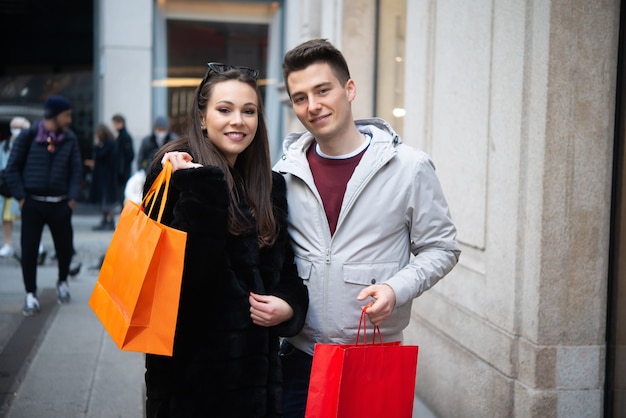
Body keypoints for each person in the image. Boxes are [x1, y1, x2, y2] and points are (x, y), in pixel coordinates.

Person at [273, 38, 462, 416]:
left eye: (323, 90)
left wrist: (397, 287)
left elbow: (443, 247)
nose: (313, 106)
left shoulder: (409, 167)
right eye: (300, 97)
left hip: (371, 360)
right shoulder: (283, 173)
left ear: (349, 89)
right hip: (298, 361)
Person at [143, 62, 308, 417]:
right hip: (192, 384)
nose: (238, 121)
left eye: (249, 111)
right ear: (202, 117)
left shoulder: (270, 185)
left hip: (258, 385)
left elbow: (288, 270)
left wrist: (288, 304)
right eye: (224, 109)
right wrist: (202, 184)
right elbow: (184, 281)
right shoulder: (175, 171)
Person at [5, 95, 83, 315]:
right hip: (32, 204)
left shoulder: (70, 139)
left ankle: (62, 282)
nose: (69, 119)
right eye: (66, 115)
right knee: (29, 251)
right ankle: (30, 294)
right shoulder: (28, 137)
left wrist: (71, 200)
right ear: (55, 116)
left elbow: (77, 170)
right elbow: (12, 168)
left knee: (65, 248)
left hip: (60, 204)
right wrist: (21, 197)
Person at [0, 117, 30, 257]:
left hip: (24, 186)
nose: (17, 130)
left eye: (20, 127)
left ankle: (32, 245)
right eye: (15, 126)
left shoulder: (30, 144)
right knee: (6, 217)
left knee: (29, 218)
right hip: (7, 188)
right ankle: (8, 244)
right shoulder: (5, 145)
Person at [87, 123, 119, 230]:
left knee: (107, 200)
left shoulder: (109, 144)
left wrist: (97, 146)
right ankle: (105, 220)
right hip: (103, 177)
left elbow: (102, 156)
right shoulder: (106, 143)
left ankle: (110, 221)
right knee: (103, 199)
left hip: (107, 177)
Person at [111, 114, 135, 202]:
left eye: (115, 123)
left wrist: (122, 166)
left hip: (123, 170)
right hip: (120, 169)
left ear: (121, 123)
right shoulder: (120, 136)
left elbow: (130, 155)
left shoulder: (124, 137)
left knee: (123, 191)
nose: (113, 126)